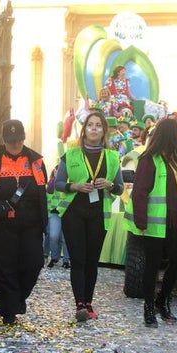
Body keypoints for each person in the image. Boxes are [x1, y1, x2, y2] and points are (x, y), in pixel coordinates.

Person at [50, 110, 124, 323]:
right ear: (84, 130)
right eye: (90, 125)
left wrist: (110, 185)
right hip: (74, 212)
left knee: (92, 260)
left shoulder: (112, 156)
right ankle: (79, 304)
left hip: (99, 213)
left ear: (104, 131)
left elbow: (119, 188)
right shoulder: (70, 154)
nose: (94, 128)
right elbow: (58, 183)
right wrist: (75, 186)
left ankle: (89, 302)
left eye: (98, 125)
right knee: (78, 259)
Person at [0, 120, 48, 325]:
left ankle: (17, 298)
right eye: (11, 141)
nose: (15, 144)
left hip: (30, 223)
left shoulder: (36, 161)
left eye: (18, 140)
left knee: (34, 263)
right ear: (3, 141)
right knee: (4, 267)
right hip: (0, 225)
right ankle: (8, 311)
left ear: (24, 138)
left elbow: (41, 193)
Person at [130, 117, 177, 328]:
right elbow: (139, 192)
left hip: (174, 222)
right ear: (171, 136)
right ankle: (149, 307)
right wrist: (141, 221)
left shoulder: (175, 161)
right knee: (152, 267)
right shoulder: (149, 160)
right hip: (154, 223)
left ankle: (162, 300)